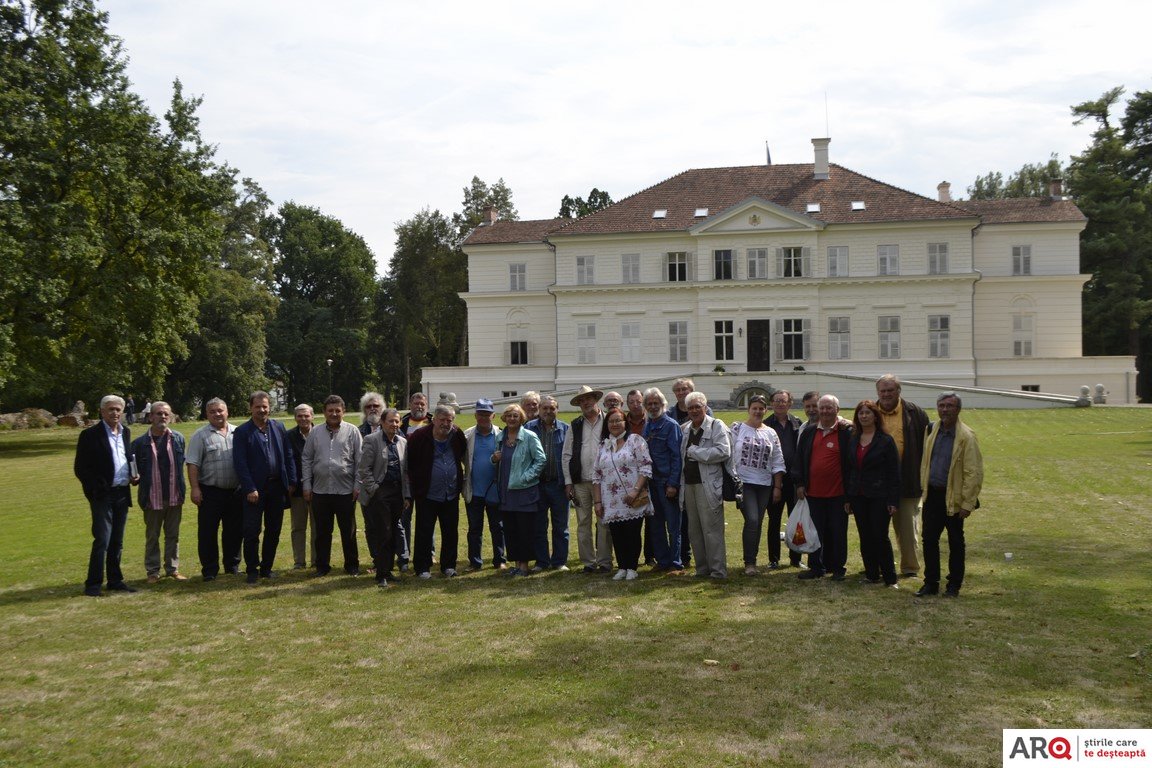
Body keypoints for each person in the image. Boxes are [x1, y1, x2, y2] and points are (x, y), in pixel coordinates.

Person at [916, 393, 984, 598]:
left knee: (955, 542)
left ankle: (954, 585)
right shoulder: (930, 430)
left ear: (958, 409)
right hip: (932, 496)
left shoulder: (966, 436)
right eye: (941, 405)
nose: (944, 410)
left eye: (949, 406)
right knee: (929, 540)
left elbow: (974, 472)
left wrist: (967, 503)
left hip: (953, 497)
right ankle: (931, 583)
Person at [74, 395, 137, 596]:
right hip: (102, 495)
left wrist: (133, 475)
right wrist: (96, 489)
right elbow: (81, 468)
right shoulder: (90, 435)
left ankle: (115, 580)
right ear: (102, 411)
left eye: (118, 409)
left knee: (117, 541)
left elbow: (126, 459)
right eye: (111, 409)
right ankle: (93, 584)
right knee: (103, 539)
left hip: (121, 492)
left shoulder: (125, 432)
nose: (115, 413)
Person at [232, 391, 297, 584]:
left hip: (277, 487)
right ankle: (252, 569)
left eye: (265, 406)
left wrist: (291, 482)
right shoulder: (243, 432)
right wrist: (249, 487)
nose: (262, 410)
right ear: (251, 408)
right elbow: (240, 463)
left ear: (269, 407)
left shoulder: (278, 427)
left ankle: (267, 568)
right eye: (258, 406)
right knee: (252, 530)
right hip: (254, 490)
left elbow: (288, 455)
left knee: (274, 529)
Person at [875, 374, 930, 578]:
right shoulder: (869, 411)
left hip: (907, 480)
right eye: (883, 391)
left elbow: (927, 445)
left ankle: (910, 568)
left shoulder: (915, 413)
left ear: (899, 391)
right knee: (876, 529)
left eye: (891, 390)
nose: (887, 394)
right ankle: (877, 566)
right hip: (878, 483)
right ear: (878, 393)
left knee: (908, 530)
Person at [794, 394, 853, 581]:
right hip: (813, 493)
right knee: (814, 532)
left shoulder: (846, 433)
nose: (826, 411)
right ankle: (816, 567)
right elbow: (799, 460)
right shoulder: (809, 432)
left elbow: (852, 464)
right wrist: (800, 483)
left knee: (837, 532)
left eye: (830, 408)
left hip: (838, 494)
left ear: (837, 410)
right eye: (823, 408)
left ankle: (837, 568)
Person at [303, 395, 363, 577]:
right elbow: (306, 459)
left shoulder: (352, 432)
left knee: (349, 531)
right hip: (320, 490)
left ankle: (351, 565)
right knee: (322, 531)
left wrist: (357, 485)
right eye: (330, 410)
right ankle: (322, 566)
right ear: (324, 413)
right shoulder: (315, 433)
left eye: (338, 410)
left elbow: (360, 460)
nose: (334, 414)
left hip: (345, 491)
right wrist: (306, 484)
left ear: (343, 411)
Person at [591, 407, 653, 581]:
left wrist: (635, 490)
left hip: (633, 496)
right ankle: (622, 566)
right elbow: (596, 475)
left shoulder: (635, 440)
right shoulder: (603, 445)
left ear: (625, 422)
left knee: (632, 532)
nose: (615, 424)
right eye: (611, 421)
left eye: (618, 420)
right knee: (617, 534)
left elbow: (646, 466)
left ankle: (632, 566)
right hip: (611, 499)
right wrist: (597, 502)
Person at [406, 404, 466, 578]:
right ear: (434, 419)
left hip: (451, 493)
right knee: (424, 531)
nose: (446, 423)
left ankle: (448, 566)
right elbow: (410, 462)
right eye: (442, 419)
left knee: (450, 531)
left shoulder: (457, 434)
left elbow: (461, 454)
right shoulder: (420, 436)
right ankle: (422, 568)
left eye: (450, 420)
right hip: (427, 493)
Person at [846, 400, 901, 588]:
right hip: (858, 495)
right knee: (865, 535)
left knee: (880, 535)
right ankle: (871, 574)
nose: (864, 416)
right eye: (860, 413)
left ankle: (890, 577)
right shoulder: (853, 439)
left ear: (875, 417)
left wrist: (893, 500)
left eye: (868, 413)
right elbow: (849, 470)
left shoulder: (885, 441)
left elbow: (894, 472)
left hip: (879, 495)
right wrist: (848, 497)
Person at [186, 397, 242, 581]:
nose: (217, 414)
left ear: (227, 412)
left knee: (234, 531)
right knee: (208, 532)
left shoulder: (237, 432)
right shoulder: (200, 435)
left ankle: (232, 565)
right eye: (213, 411)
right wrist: (195, 488)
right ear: (207, 414)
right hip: (210, 492)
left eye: (220, 410)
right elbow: (192, 464)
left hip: (235, 492)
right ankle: (209, 569)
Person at [131, 401, 187, 583]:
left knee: (173, 535)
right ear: (150, 417)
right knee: (152, 536)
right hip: (152, 497)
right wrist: (134, 477)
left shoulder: (178, 438)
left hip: (173, 495)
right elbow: (133, 470)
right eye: (158, 414)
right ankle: (152, 572)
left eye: (165, 414)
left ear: (170, 417)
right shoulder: (139, 443)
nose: (162, 417)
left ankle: (172, 569)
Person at [730, 394, 786, 575]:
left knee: (757, 522)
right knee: (752, 520)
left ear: (766, 410)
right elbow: (728, 453)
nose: (757, 411)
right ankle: (749, 563)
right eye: (754, 408)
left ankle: (751, 560)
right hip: (744, 483)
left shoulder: (770, 433)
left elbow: (778, 461)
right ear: (749, 410)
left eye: (761, 409)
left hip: (764, 484)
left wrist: (777, 486)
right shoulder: (738, 429)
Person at [679, 392, 732, 578]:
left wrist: (696, 452)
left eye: (697, 406)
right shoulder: (685, 428)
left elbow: (724, 451)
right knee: (694, 530)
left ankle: (718, 571)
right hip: (689, 485)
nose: (694, 410)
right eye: (690, 407)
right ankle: (701, 569)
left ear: (705, 406)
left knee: (712, 529)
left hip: (708, 484)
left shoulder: (716, 425)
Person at [357, 407, 410, 587]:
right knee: (383, 532)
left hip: (397, 493)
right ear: (382, 422)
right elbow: (364, 469)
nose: (394, 424)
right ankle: (381, 574)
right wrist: (374, 490)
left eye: (397, 421)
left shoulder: (403, 442)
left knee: (394, 531)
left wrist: (407, 496)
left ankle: (388, 570)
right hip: (380, 493)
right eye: (390, 421)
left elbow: (406, 472)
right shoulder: (371, 440)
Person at [562, 385, 612, 573]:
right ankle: (588, 563)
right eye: (581, 401)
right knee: (583, 522)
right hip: (580, 480)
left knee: (604, 522)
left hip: (605, 481)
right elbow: (566, 454)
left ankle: (605, 562)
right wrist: (568, 482)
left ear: (595, 399)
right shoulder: (574, 425)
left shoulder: (608, 420)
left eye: (588, 398)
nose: (585, 403)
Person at [492, 404, 546, 576]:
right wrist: (493, 459)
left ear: (521, 418)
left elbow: (540, 460)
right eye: (509, 416)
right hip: (506, 492)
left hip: (524, 492)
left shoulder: (530, 436)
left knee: (525, 530)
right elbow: (498, 461)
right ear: (504, 418)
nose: (512, 419)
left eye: (516, 416)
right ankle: (516, 564)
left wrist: (526, 478)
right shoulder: (501, 437)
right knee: (511, 530)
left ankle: (524, 566)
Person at [526, 395, 570, 570]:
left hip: (558, 485)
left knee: (561, 526)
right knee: (539, 525)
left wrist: (569, 484)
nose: (548, 411)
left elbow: (569, 458)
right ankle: (542, 561)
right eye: (545, 408)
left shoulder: (566, 429)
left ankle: (559, 561)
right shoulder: (529, 428)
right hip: (537, 485)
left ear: (557, 410)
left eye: (552, 408)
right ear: (539, 410)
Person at [642, 387, 683, 572]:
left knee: (673, 526)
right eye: (649, 404)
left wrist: (673, 484)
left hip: (667, 483)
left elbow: (677, 457)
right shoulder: (647, 425)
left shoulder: (671, 425)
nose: (652, 407)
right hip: (651, 482)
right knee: (656, 525)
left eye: (655, 403)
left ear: (662, 404)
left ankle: (675, 562)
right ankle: (662, 561)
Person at [463, 398, 506, 571]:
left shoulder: (501, 435)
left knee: (498, 527)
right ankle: (475, 562)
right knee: (474, 529)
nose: (483, 418)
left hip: (495, 490)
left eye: (487, 414)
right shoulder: (467, 435)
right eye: (480, 414)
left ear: (493, 416)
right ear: (475, 415)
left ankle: (500, 560)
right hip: (474, 491)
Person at [765, 390, 803, 568]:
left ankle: (796, 559)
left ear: (790, 404)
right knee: (774, 520)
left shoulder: (798, 424)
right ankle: (774, 559)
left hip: (795, 481)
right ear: (771, 404)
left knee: (796, 521)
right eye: (777, 401)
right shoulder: (765, 425)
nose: (780, 404)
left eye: (784, 401)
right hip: (774, 482)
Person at [399, 392, 431, 569]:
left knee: (427, 519)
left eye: (422, 404)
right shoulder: (401, 423)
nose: (419, 406)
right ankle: (405, 554)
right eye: (416, 403)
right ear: (410, 404)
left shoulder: (433, 422)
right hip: (407, 480)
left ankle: (429, 553)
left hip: (427, 480)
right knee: (405, 520)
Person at [286, 403, 317, 570]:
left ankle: (316, 560)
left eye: (306, 415)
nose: (303, 419)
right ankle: (299, 561)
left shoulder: (320, 433)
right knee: (298, 527)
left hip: (319, 488)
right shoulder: (289, 436)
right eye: (300, 416)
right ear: (295, 418)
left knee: (317, 526)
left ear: (312, 416)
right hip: (297, 490)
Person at [358, 392, 387, 571]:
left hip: (388, 486)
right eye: (369, 406)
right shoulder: (358, 431)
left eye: (376, 406)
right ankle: (377, 560)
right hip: (366, 487)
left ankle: (394, 559)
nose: (373, 409)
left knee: (390, 525)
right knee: (371, 526)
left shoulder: (392, 428)